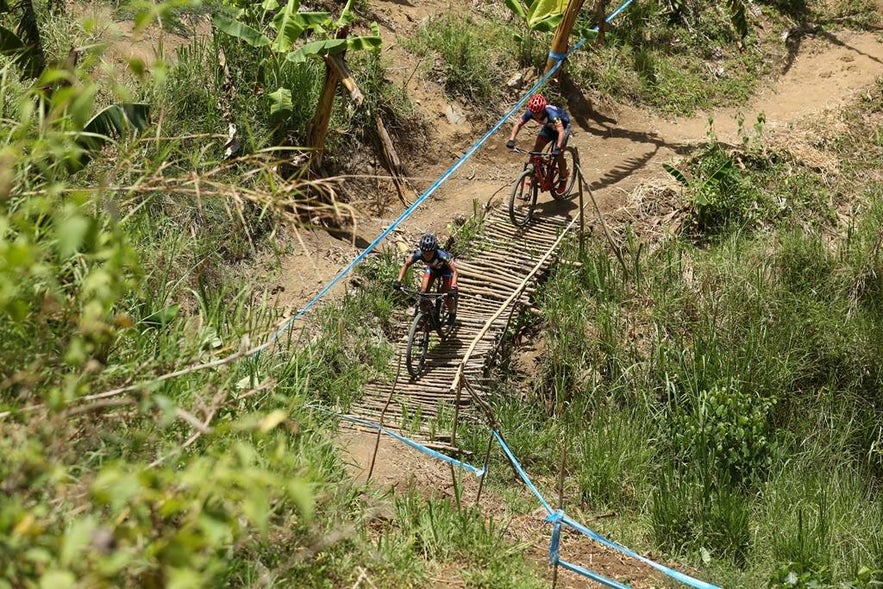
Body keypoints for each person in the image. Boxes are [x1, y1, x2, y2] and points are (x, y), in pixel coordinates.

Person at [505, 93, 571, 192]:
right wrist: (511, 139)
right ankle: (536, 174)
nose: (535, 115)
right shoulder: (530, 112)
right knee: (536, 151)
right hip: (549, 127)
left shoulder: (552, 114)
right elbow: (518, 124)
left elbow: (561, 132)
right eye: (533, 113)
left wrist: (558, 148)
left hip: (563, 127)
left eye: (538, 113)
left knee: (559, 154)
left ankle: (563, 178)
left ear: (543, 110)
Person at [392, 233, 459, 325]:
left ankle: (452, 313)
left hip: (446, 271)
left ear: (434, 250)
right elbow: (406, 265)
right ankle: (427, 312)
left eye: (430, 253)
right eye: (424, 253)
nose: (427, 255)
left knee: (446, 293)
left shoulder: (442, 255)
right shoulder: (418, 254)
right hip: (432, 270)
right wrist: (398, 281)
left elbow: (454, 272)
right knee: (423, 292)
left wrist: (453, 287)